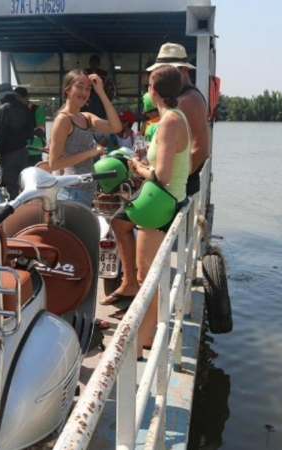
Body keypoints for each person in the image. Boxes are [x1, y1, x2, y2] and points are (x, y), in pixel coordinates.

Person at [107, 66, 191, 359]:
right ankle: (147, 333)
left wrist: (138, 168)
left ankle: (140, 344)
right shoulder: (176, 117)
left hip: (161, 205)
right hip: (169, 199)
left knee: (146, 278)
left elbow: (163, 176)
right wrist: (146, 167)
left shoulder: (168, 122)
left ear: (153, 90)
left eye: (148, 86)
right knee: (122, 227)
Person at [48, 69, 121, 207]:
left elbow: (116, 127)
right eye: (79, 87)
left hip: (86, 193)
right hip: (71, 193)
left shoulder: (86, 117)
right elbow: (54, 163)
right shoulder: (63, 119)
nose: (84, 92)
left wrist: (101, 92)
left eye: (88, 89)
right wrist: (91, 152)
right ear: (67, 90)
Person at [147, 43, 209, 196]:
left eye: (171, 70)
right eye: (161, 70)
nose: (166, 75)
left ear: (184, 71)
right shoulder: (178, 98)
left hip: (180, 187)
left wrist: (178, 180)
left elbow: (200, 149)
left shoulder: (189, 99)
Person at [0, 82, 34, 198]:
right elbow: (30, 131)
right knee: (24, 185)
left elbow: (0, 134)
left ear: (3, 97)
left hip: (8, 156)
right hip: (23, 153)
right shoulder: (24, 108)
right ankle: (26, 206)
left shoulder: (3, 109)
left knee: (12, 188)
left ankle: (14, 207)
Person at [14, 87, 47, 166]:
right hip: (19, 151)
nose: (17, 102)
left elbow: (41, 130)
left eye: (19, 99)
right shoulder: (15, 111)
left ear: (26, 98)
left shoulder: (37, 110)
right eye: (15, 99)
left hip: (34, 151)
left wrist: (32, 132)